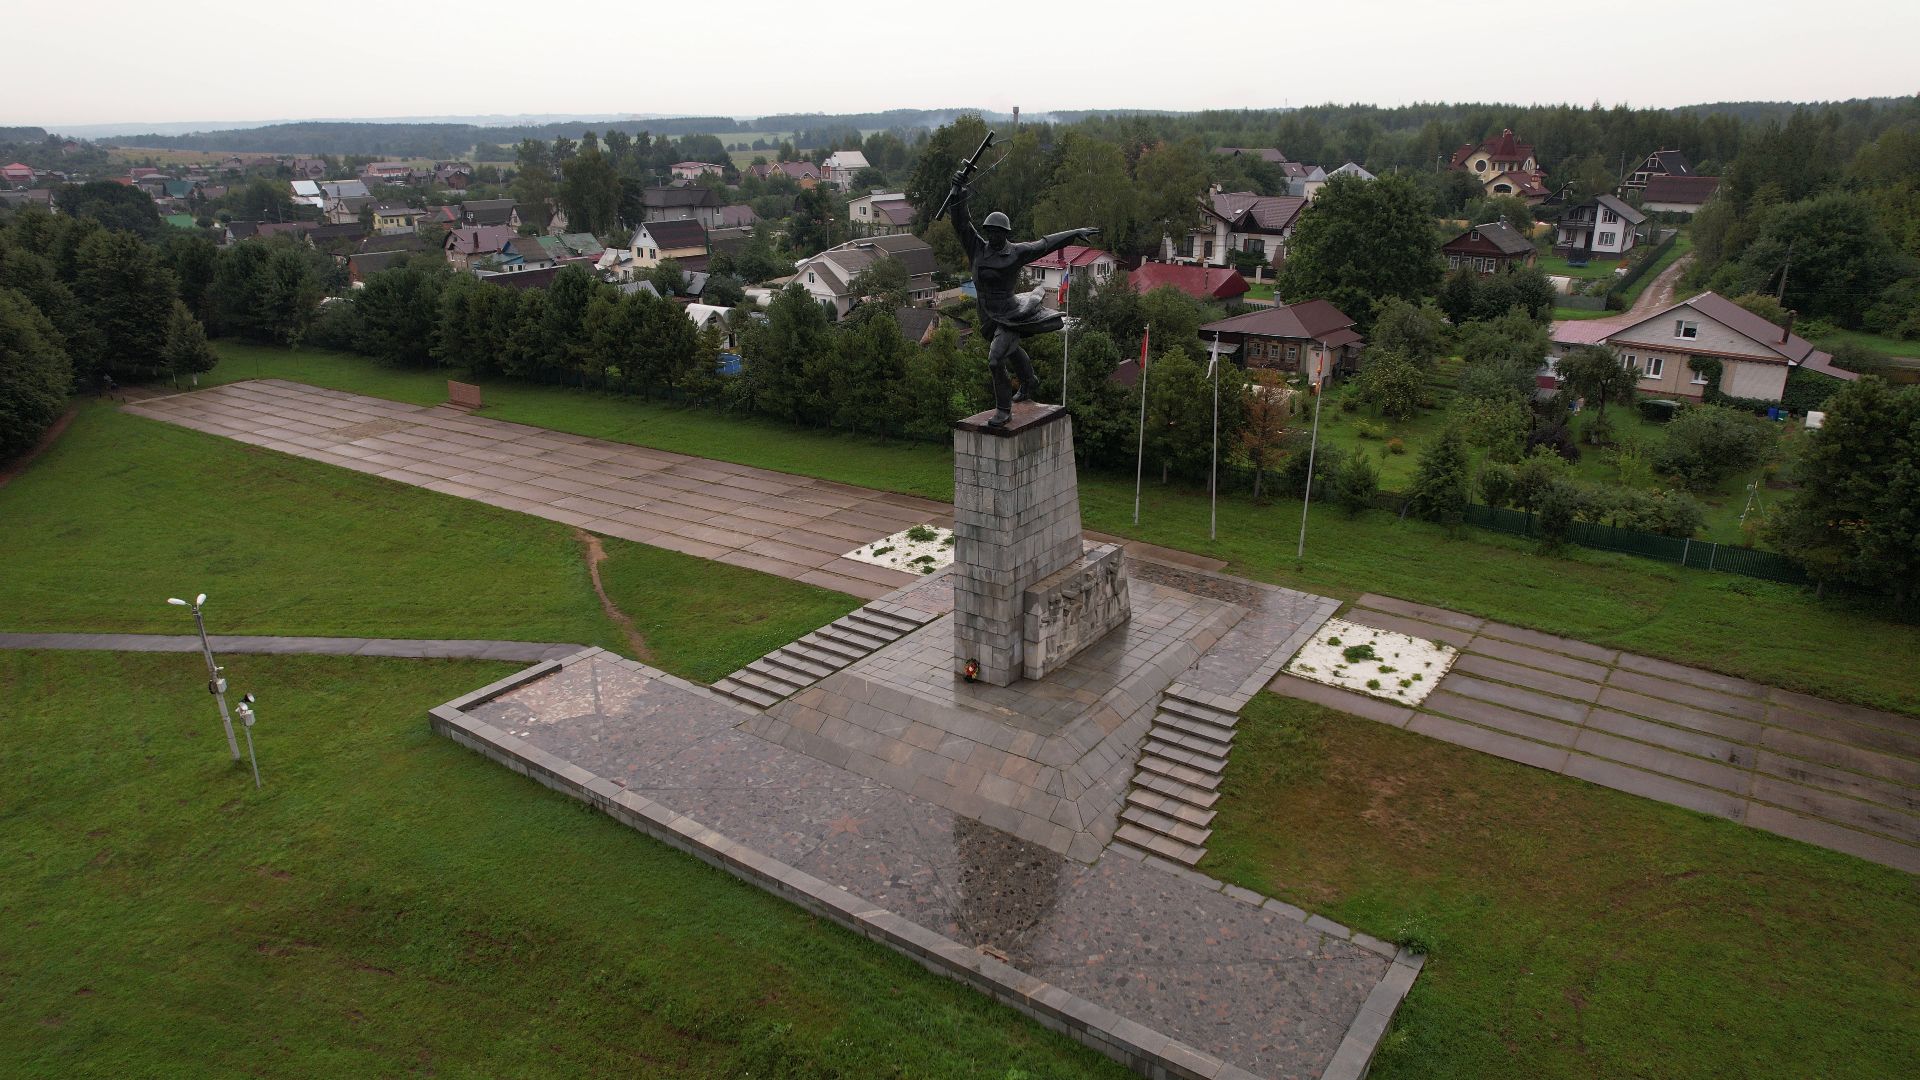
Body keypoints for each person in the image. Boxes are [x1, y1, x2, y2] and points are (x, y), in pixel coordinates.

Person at [947, 172, 1098, 427]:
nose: (993, 236)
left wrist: (1074, 232)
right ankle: (1030, 381)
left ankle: (1004, 410)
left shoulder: (1016, 253)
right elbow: (961, 222)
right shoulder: (976, 248)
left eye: (998, 232)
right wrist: (957, 191)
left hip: (1009, 312)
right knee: (1011, 349)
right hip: (986, 313)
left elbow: (1045, 243)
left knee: (995, 360)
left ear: (1005, 233)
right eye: (990, 231)